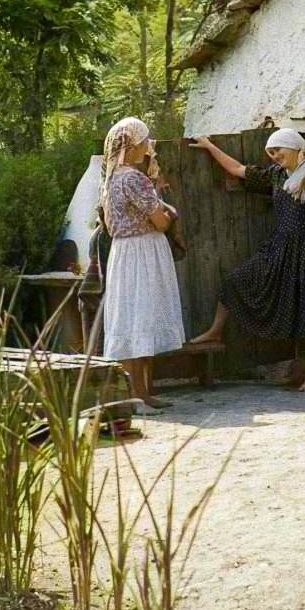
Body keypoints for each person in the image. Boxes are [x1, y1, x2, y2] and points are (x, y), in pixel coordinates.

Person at [187, 128, 305, 391]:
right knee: (236, 279)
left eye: (279, 150)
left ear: (295, 147)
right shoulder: (276, 176)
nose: (275, 155)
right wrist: (210, 146)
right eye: (271, 152)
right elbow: (237, 170)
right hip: (280, 246)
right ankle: (216, 330)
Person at [99, 116, 185, 412]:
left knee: (133, 317)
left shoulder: (113, 178)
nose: (150, 144)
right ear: (134, 144)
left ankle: (140, 392)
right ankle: (138, 393)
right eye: (146, 139)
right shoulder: (133, 178)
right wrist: (170, 214)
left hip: (125, 253)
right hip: (142, 253)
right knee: (141, 316)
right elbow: (160, 222)